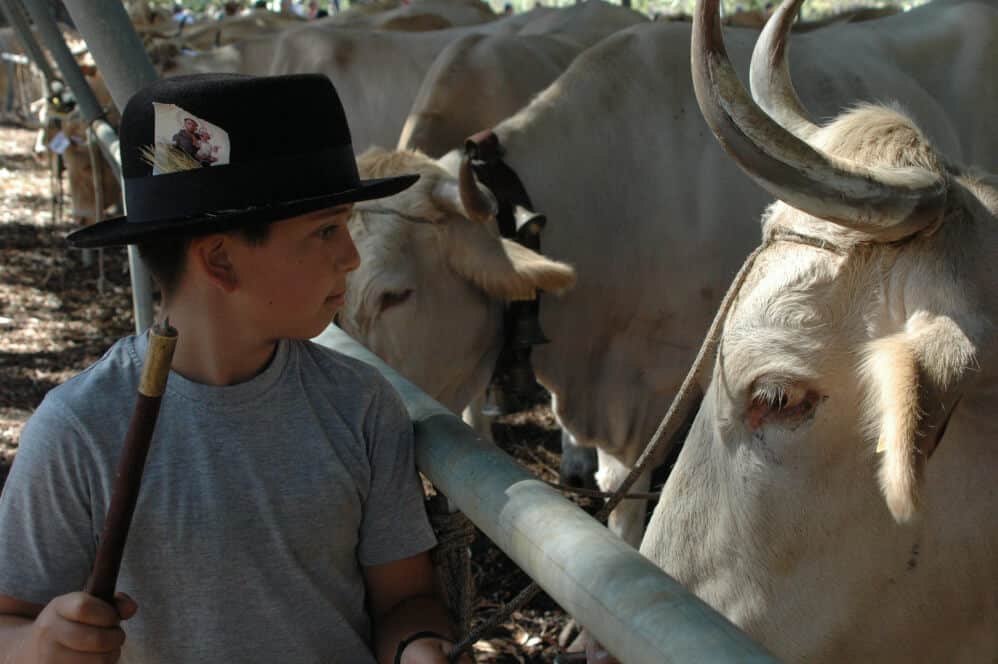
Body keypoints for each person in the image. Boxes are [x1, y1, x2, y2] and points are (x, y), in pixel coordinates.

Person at [0, 74, 470, 664]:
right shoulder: (79, 430)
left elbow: (405, 600)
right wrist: (39, 643)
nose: (350, 257)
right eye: (326, 230)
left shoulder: (361, 404)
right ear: (220, 261)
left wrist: (416, 647)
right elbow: (9, 623)